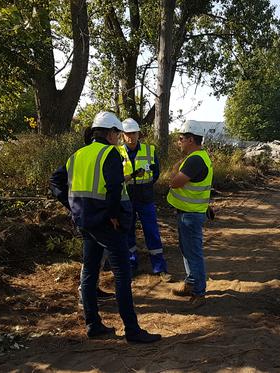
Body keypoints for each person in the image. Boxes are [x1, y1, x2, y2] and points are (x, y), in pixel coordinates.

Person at [49, 111, 161, 343]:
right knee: (122, 274)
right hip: (107, 224)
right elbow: (112, 187)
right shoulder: (109, 153)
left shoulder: (78, 154)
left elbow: (55, 181)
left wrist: (70, 206)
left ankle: (93, 325)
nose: (119, 138)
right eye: (118, 134)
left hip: (85, 221)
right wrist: (112, 215)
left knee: (89, 271)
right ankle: (132, 330)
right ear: (110, 133)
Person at [167, 120, 214, 307]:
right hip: (189, 213)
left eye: (181, 138)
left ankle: (199, 292)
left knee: (193, 253)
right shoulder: (197, 157)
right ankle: (191, 283)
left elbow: (175, 182)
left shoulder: (195, 160)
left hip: (190, 214)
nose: (179, 141)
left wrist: (173, 173)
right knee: (187, 252)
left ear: (191, 139)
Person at [119, 118, 171, 282]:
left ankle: (159, 268)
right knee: (128, 233)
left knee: (152, 232)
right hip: (126, 198)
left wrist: (145, 184)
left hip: (146, 198)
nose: (131, 137)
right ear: (122, 135)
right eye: (127, 134)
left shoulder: (149, 150)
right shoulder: (117, 153)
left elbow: (155, 173)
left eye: (133, 133)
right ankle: (132, 265)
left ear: (138, 134)